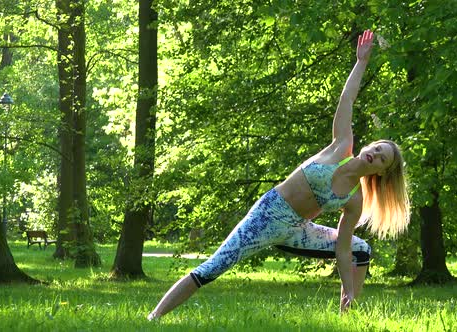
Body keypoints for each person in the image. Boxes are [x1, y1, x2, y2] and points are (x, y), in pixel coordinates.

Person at [148, 29, 410, 319]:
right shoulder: (341, 146)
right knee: (212, 268)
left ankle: (348, 315)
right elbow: (347, 100)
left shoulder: (354, 198)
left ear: (381, 171)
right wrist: (360, 62)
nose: (374, 152)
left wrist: (347, 289)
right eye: (376, 146)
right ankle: (153, 318)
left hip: (297, 230)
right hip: (267, 215)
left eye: (381, 157)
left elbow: (344, 250)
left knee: (362, 250)